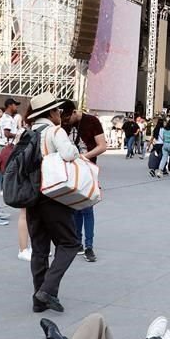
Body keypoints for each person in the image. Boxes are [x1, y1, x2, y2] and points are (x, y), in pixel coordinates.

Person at [24, 92, 80, 313]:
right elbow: (68, 154)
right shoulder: (55, 131)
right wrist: (75, 149)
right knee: (70, 243)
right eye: (58, 110)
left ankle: (39, 301)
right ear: (51, 112)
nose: (60, 114)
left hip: (31, 196)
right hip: (53, 195)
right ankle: (47, 290)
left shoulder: (27, 133)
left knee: (39, 249)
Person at [60, 100, 107, 263]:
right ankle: (77, 242)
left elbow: (102, 146)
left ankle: (89, 246)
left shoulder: (92, 121)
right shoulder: (63, 125)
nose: (65, 122)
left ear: (74, 112)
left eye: (67, 119)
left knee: (87, 208)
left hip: (88, 170)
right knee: (74, 208)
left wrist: (84, 157)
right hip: (71, 171)